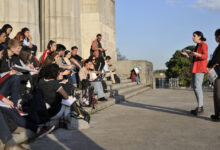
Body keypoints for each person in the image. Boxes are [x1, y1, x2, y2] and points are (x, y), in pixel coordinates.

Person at [181, 31, 208, 116]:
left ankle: (200, 106)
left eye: (194, 36)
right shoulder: (196, 46)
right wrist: (187, 55)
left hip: (200, 68)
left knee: (197, 87)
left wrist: (197, 54)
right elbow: (193, 60)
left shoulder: (204, 45)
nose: (192, 37)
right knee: (195, 87)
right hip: (194, 68)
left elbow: (205, 56)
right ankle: (199, 106)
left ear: (199, 36)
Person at [207, 29, 220, 121]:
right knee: (217, 94)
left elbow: (216, 60)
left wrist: (213, 65)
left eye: (215, 36)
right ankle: (217, 114)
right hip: (216, 72)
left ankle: (218, 115)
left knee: (218, 94)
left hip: (218, 73)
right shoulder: (218, 47)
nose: (215, 38)